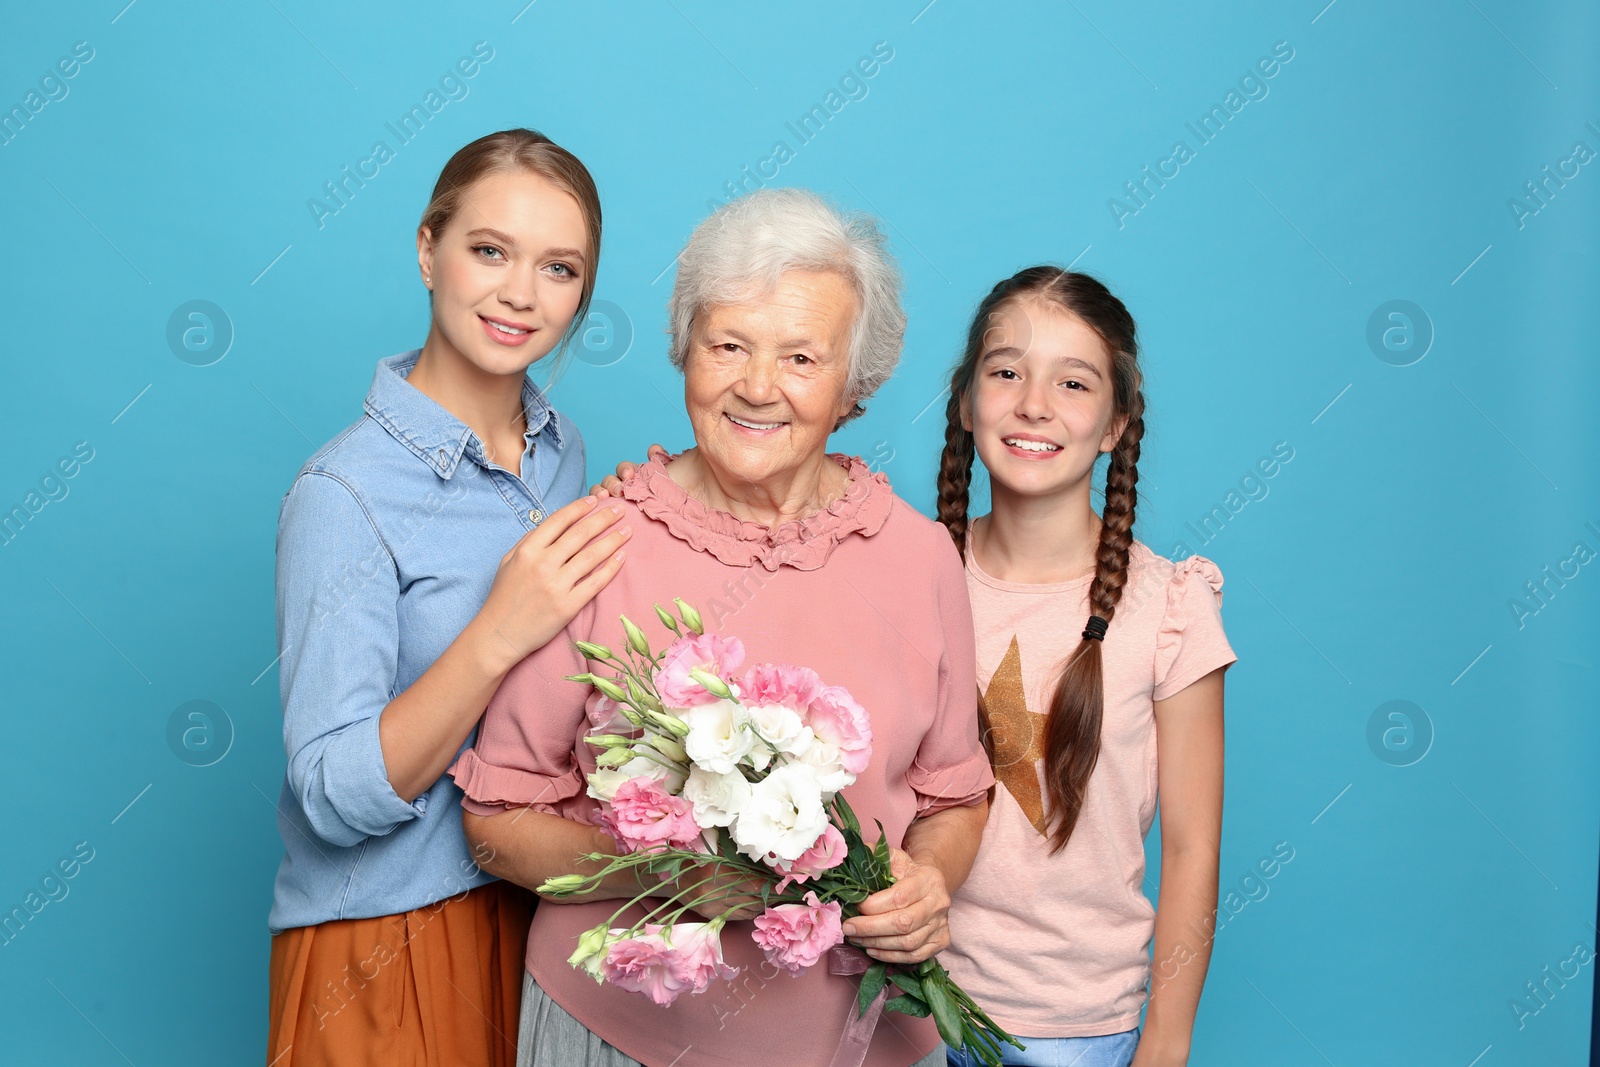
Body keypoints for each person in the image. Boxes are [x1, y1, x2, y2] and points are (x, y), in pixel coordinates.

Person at [449, 188, 994, 1067]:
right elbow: (496, 818)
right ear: (685, 351)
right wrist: (668, 876)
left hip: (865, 1040)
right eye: (728, 344)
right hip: (622, 1036)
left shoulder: (920, 557)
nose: (756, 386)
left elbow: (955, 795)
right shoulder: (597, 544)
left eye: (801, 357)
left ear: (854, 385)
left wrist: (930, 879)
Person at [266, 129, 630, 1067]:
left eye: (559, 267)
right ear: (428, 250)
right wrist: (494, 634)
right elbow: (330, 793)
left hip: (543, 916)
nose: (520, 293)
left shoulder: (565, 455)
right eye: (489, 250)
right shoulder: (343, 495)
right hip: (387, 939)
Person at [935, 268, 1236, 1067]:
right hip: (902, 1008)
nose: (1034, 403)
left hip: (1072, 1031)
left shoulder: (1170, 607)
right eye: (1006, 372)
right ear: (966, 401)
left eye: (1074, 382)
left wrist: (1164, 1048)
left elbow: (1193, 849)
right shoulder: (907, 574)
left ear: (1115, 424)